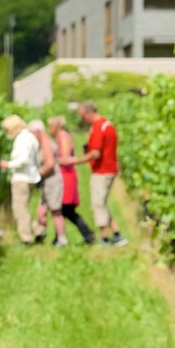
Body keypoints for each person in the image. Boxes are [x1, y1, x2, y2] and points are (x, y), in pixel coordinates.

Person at [72, 101, 128, 246]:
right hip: (109, 168)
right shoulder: (106, 125)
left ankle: (105, 238)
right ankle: (117, 234)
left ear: (88, 113)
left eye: (82, 116)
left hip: (102, 170)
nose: (82, 120)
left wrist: (77, 160)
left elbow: (95, 153)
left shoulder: (98, 128)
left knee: (98, 204)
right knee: (102, 202)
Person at [49, 115, 96, 244]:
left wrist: (51, 160)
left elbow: (65, 159)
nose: (50, 129)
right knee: (64, 210)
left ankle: (86, 234)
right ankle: (60, 237)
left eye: (51, 126)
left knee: (66, 209)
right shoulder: (61, 137)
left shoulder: (63, 138)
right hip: (64, 175)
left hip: (66, 176)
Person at [0, 115, 40, 245]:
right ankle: (37, 230)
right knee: (24, 208)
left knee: (19, 209)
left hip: (22, 178)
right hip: (31, 176)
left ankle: (26, 238)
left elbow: (24, 159)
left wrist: (8, 164)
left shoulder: (22, 139)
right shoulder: (31, 137)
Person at [27, 119, 68, 246]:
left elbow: (49, 164)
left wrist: (37, 176)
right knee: (41, 211)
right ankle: (41, 235)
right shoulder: (46, 141)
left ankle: (62, 239)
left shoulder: (45, 143)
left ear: (38, 131)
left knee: (55, 211)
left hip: (52, 181)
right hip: (47, 182)